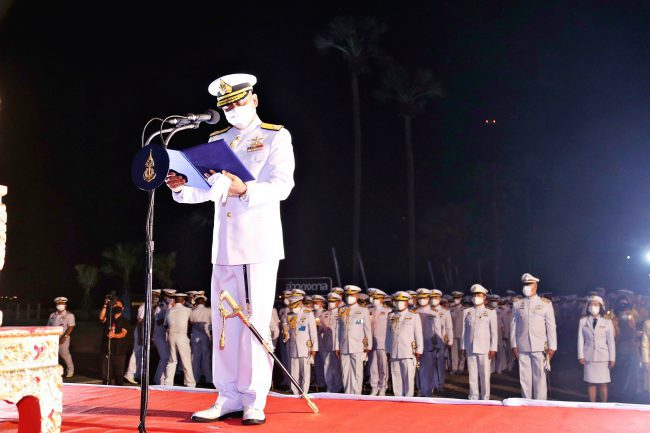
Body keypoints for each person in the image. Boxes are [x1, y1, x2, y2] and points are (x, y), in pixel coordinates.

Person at [167, 73, 295, 426]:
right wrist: (179, 187)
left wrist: (246, 190)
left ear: (254, 100)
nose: (234, 110)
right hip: (223, 246)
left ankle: (254, 398)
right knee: (224, 323)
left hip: (257, 243)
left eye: (240, 102)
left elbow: (282, 186)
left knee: (253, 322)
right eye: (228, 107)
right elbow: (207, 191)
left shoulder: (275, 136)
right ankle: (227, 396)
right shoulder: (217, 140)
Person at [510, 273, 557, 400]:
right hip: (522, 346)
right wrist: (513, 345)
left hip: (540, 346)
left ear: (535, 286)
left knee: (540, 378)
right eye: (525, 284)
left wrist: (552, 347)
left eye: (529, 284)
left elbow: (551, 327)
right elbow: (513, 326)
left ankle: (540, 405)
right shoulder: (517, 304)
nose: (526, 287)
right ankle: (526, 403)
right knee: (524, 378)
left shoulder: (545, 304)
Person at [461, 284, 497, 400]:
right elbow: (464, 331)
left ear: (484, 297)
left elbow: (494, 333)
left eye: (479, 295)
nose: (476, 297)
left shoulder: (490, 312)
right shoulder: (467, 312)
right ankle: (473, 397)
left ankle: (485, 397)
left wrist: (493, 348)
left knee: (484, 375)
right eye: (475, 295)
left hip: (484, 348)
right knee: (472, 375)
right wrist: (463, 346)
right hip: (470, 346)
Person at [577, 295, 616, 402]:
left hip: (603, 357)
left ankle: (604, 405)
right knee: (591, 383)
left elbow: (611, 341)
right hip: (588, 356)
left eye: (595, 304)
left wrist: (612, 358)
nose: (593, 306)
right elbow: (580, 340)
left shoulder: (607, 321)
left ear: (600, 306)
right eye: (591, 304)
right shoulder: (583, 321)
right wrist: (580, 355)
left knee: (603, 383)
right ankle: (592, 405)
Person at [335, 285, 372, 395]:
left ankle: (356, 394)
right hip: (344, 345)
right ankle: (347, 393)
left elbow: (367, 329)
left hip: (357, 345)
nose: (349, 297)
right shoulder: (342, 310)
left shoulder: (363, 310)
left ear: (356, 296)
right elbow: (338, 329)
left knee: (357, 372)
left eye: (352, 295)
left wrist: (368, 346)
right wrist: (337, 346)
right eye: (348, 295)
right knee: (345, 372)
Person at [386, 291, 423, 397]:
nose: (399, 303)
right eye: (397, 301)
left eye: (401, 301)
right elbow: (388, 334)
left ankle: (408, 398)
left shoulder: (413, 316)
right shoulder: (391, 315)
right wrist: (388, 349)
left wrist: (419, 350)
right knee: (396, 377)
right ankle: (398, 397)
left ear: (406, 302)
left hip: (408, 352)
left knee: (408, 378)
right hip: (394, 351)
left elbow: (418, 334)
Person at [284, 294, 318, 395]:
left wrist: (314, 348)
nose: (292, 308)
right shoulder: (290, 314)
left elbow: (313, 332)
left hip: (305, 348)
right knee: (294, 372)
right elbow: (288, 330)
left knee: (305, 372)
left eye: (294, 305)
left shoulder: (308, 313)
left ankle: (304, 392)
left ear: (299, 303)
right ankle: (295, 392)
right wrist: (286, 333)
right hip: (294, 347)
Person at [164, 292, 195, 387]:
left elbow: (165, 325)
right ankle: (190, 383)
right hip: (182, 335)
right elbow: (192, 322)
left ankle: (168, 383)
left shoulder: (169, 311)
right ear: (183, 301)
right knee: (186, 360)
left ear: (175, 300)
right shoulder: (188, 310)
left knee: (172, 360)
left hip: (171, 335)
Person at [99, 298, 129, 385]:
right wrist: (105, 305)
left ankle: (119, 390)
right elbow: (101, 317)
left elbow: (123, 333)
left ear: (123, 308)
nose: (117, 306)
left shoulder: (125, 321)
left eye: (120, 305)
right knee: (106, 375)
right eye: (116, 305)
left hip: (119, 351)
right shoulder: (109, 318)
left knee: (118, 375)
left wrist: (114, 335)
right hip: (106, 350)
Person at [368, 289, 391, 396]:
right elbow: (361, 323)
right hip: (371, 342)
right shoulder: (368, 310)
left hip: (383, 343)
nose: (374, 300)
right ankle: (374, 387)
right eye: (373, 298)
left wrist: (389, 344)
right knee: (373, 367)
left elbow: (391, 329)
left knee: (383, 367)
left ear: (382, 299)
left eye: (377, 298)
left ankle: (383, 387)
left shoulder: (388, 311)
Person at [320, 292, 343, 392]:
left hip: (337, 345)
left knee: (336, 368)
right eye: (329, 301)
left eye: (333, 301)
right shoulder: (324, 314)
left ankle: (338, 387)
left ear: (338, 302)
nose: (331, 303)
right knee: (327, 366)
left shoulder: (341, 313)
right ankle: (329, 386)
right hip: (326, 344)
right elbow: (320, 329)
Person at [47, 296, 75, 378]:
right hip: (52, 338)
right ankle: (55, 371)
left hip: (63, 337)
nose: (60, 305)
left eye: (62, 303)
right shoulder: (52, 315)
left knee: (64, 354)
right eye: (58, 304)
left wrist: (64, 337)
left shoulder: (69, 315)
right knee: (53, 355)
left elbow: (71, 327)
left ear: (65, 305)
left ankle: (70, 370)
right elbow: (48, 326)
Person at [152, 288, 174, 385]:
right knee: (164, 357)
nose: (170, 298)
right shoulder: (160, 307)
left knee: (167, 358)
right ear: (165, 297)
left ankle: (162, 379)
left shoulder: (170, 307)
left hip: (166, 336)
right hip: (159, 336)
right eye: (169, 296)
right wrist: (167, 317)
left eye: (172, 297)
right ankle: (158, 380)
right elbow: (157, 322)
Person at [190, 294, 213, 385]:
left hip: (195, 335)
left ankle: (195, 378)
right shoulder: (209, 311)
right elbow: (212, 324)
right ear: (204, 302)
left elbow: (191, 322)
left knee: (195, 357)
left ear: (196, 302)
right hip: (205, 335)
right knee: (206, 357)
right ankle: (208, 379)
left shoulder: (193, 311)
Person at [449, 290, 465, 374]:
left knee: (461, 351)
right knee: (453, 352)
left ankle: (461, 367)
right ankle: (454, 368)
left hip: (462, 333)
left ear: (461, 298)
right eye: (454, 298)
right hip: (453, 333)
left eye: (457, 298)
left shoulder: (465, 309)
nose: (456, 299)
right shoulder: (451, 309)